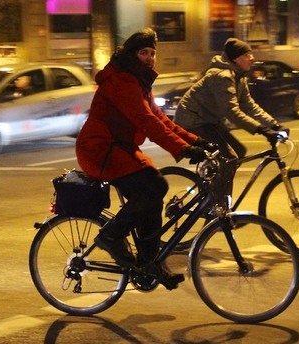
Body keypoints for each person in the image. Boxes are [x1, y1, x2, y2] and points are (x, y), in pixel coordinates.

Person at [75, 28, 208, 290]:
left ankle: (149, 263)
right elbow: (145, 121)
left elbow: (159, 118)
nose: (149, 58)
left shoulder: (138, 81)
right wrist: (180, 149)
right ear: (132, 55)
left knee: (154, 193)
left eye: (152, 53)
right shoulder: (122, 80)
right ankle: (111, 236)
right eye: (143, 53)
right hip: (99, 150)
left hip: (118, 148)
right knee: (154, 186)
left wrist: (194, 141)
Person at [174, 37, 289, 196]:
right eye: (247, 55)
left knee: (239, 151)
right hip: (192, 120)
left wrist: (274, 125)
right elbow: (231, 111)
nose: (252, 58)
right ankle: (219, 209)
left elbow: (249, 106)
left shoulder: (239, 76)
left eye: (251, 54)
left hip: (208, 120)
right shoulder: (222, 76)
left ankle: (214, 189)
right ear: (236, 58)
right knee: (229, 159)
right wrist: (261, 129)